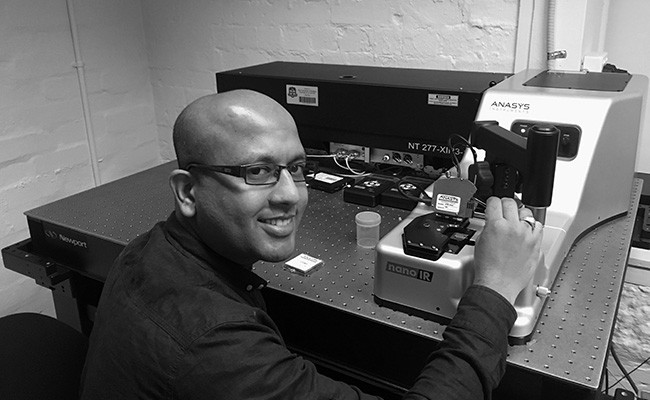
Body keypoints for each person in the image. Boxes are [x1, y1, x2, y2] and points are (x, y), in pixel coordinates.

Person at [80, 89, 543, 400]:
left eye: (296, 168)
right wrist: (495, 289)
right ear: (187, 191)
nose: (291, 195)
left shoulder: (149, 250)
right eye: (257, 171)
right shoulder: (216, 346)